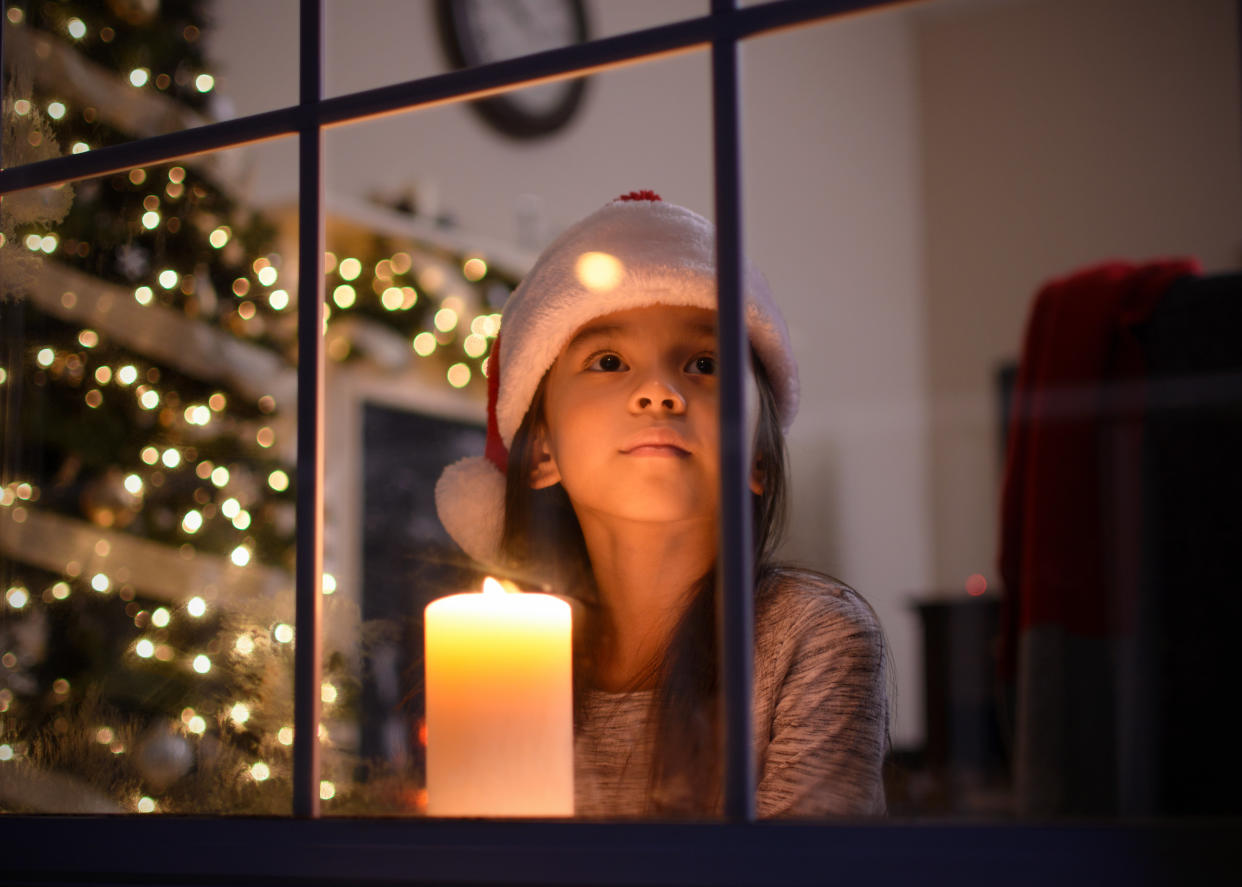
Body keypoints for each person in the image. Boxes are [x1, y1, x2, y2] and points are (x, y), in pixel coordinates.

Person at [436, 191, 888, 818]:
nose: (658, 392)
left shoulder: (812, 636)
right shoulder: (498, 661)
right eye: (609, 361)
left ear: (757, 457)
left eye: (704, 362)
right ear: (541, 451)